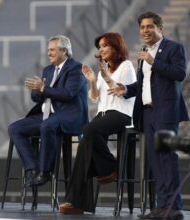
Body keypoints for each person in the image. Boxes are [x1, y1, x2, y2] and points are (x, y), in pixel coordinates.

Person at [108, 12, 189, 219]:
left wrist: (154, 62)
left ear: (159, 28)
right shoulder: (144, 53)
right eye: (142, 27)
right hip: (148, 114)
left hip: (166, 113)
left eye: (149, 26)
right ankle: (163, 207)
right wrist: (125, 89)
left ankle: (174, 208)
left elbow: (179, 73)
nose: (145, 30)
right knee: (155, 162)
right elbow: (143, 85)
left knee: (167, 160)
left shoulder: (173, 48)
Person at [59, 32, 136, 214]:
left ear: (116, 47)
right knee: (85, 146)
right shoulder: (103, 69)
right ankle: (77, 201)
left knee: (89, 130)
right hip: (103, 113)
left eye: (105, 46)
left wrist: (107, 78)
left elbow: (120, 92)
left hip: (121, 113)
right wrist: (93, 81)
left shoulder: (126, 66)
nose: (101, 50)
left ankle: (110, 167)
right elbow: (95, 98)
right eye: (100, 47)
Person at [8, 35, 88, 188]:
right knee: (14, 128)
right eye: (48, 50)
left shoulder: (76, 68)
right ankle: (33, 168)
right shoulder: (48, 70)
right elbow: (36, 97)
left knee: (46, 126)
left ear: (64, 51)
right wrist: (38, 90)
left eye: (52, 50)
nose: (49, 53)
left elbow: (68, 94)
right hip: (47, 115)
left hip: (68, 116)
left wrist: (44, 88)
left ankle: (45, 172)